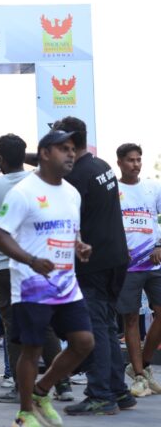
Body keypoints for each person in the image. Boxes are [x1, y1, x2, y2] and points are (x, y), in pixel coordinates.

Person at [0, 129, 96, 427]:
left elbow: (71, 230)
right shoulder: (23, 191)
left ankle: (40, 391)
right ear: (46, 153)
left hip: (66, 284)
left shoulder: (72, 192)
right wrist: (31, 260)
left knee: (84, 342)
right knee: (32, 348)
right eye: (64, 148)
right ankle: (25, 413)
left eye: (73, 149)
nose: (71, 154)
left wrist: (80, 245)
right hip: (30, 284)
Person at [42, 117, 135, 416]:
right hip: (115, 258)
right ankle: (119, 391)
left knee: (92, 328)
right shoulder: (102, 166)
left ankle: (100, 395)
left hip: (92, 263)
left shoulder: (75, 178)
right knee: (106, 326)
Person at [0, 133, 70, 404]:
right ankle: (62, 384)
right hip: (35, 263)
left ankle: (20, 387)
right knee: (45, 324)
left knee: (12, 325)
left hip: (2, 264)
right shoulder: (39, 180)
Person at [114, 143, 161, 396]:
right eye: (130, 160)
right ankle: (140, 375)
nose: (136, 164)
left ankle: (141, 363)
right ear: (120, 162)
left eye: (139, 159)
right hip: (128, 265)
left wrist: (160, 244)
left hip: (154, 261)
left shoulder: (153, 187)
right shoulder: (113, 190)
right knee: (130, 318)